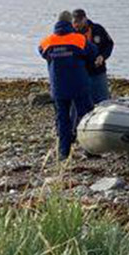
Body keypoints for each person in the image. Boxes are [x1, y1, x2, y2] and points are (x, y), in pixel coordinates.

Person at [38, 10, 95, 160]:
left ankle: (64, 151)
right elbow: (92, 52)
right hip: (78, 84)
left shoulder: (47, 42)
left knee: (62, 119)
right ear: (71, 23)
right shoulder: (79, 39)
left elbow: (41, 52)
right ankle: (88, 148)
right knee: (85, 116)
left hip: (58, 86)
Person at [71, 8, 114, 104]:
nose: (77, 25)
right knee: (82, 102)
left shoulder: (97, 29)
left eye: (79, 21)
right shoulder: (71, 34)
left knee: (103, 100)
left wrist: (102, 57)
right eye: (74, 22)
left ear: (85, 19)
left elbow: (109, 44)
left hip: (98, 71)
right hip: (80, 73)